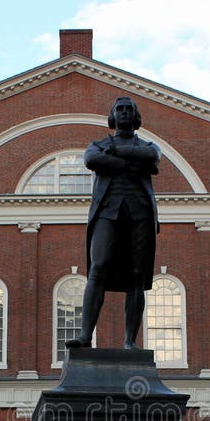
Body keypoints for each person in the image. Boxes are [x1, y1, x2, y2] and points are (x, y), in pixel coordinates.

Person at [65, 96, 160, 350]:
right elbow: (92, 160)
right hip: (107, 212)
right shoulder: (97, 145)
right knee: (98, 268)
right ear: (113, 115)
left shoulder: (147, 145)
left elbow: (153, 155)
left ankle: (130, 341)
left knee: (137, 276)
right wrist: (132, 163)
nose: (125, 112)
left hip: (140, 214)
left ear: (135, 116)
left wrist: (116, 153)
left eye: (129, 109)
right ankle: (85, 337)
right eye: (120, 109)